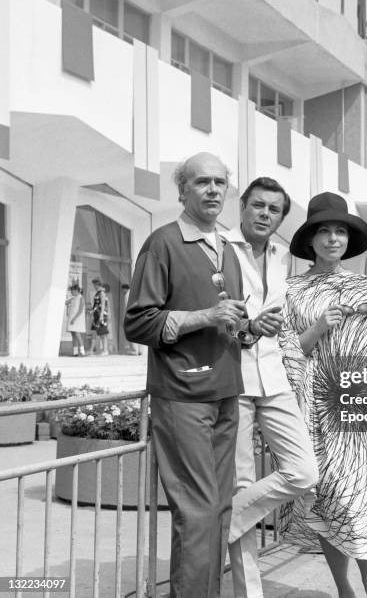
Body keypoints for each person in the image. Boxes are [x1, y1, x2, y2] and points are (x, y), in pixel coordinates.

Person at [124, 152, 248, 598]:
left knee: (219, 509)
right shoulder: (162, 243)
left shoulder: (228, 250)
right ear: (182, 191)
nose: (213, 190)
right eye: (202, 182)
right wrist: (204, 316)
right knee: (196, 511)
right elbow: (137, 323)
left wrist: (246, 327)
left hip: (226, 390)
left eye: (220, 182)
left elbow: (225, 319)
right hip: (183, 394)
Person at [278, 192, 367, 598]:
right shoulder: (290, 292)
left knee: (359, 495)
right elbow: (284, 353)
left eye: (340, 231)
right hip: (311, 408)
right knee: (327, 498)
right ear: (310, 240)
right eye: (324, 231)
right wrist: (316, 328)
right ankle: (343, 587)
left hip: (358, 405)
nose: (333, 238)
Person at [223, 177, 318, 598]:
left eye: (273, 209)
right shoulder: (220, 248)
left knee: (303, 471)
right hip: (233, 376)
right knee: (242, 485)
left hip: (274, 377)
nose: (264, 214)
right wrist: (247, 327)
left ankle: (223, 520)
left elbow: (280, 323)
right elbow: (216, 313)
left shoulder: (279, 256)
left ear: (281, 216)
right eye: (257, 205)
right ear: (242, 207)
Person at [65, 283, 86, 356]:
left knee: (77, 334)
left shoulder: (81, 298)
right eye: (71, 291)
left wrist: (74, 319)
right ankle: (75, 352)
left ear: (77, 290)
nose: (71, 292)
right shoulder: (72, 298)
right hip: (71, 317)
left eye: (73, 291)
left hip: (77, 318)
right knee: (73, 335)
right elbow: (65, 302)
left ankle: (82, 351)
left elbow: (80, 310)